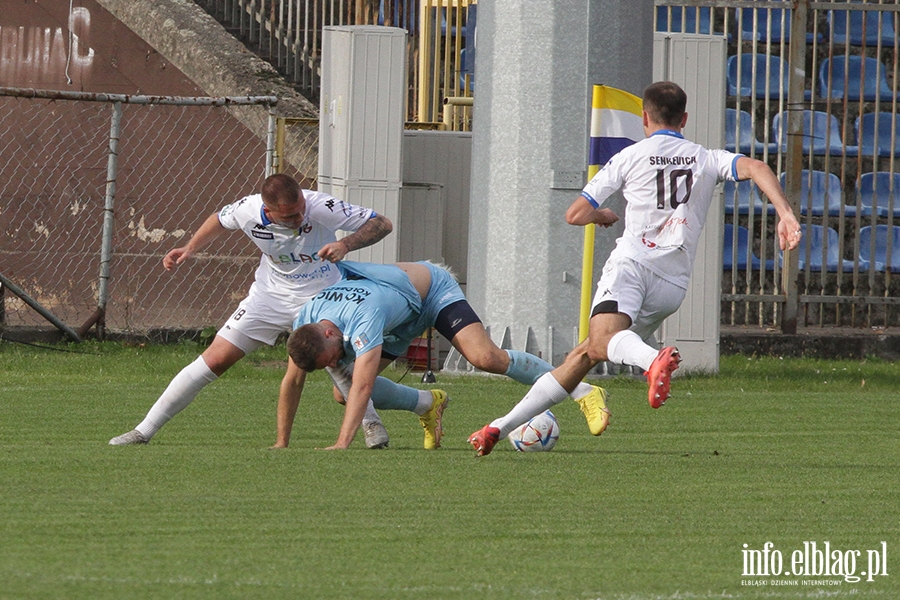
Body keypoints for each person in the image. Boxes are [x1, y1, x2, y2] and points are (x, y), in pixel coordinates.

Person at [468, 81, 803, 456]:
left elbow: (574, 214)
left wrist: (601, 214)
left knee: (600, 342)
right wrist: (785, 213)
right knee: (585, 355)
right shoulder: (707, 158)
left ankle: (651, 360)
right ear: (684, 119)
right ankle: (499, 426)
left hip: (632, 265)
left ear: (645, 117)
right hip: (672, 284)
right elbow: (757, 166)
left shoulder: (630, 156)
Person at [108, 173, 396, 448]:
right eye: (289, 216)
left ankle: (371, 424)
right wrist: (190, 247)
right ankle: (143, 430)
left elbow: (382, 223)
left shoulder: (321, 205)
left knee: (331, 360)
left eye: (300, 211)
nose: (299, 219)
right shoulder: (247, 209)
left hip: (322, 297)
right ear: (268, 211)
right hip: (268, 296)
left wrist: (345, 243)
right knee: (215, 359)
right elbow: (219, 220)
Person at [276, 260, 609, 450]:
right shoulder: (306, 321)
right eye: (329, 364)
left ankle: (583, 390)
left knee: (485, 358)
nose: (335, 363)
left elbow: (362, 387)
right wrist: (282, 442)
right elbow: (292, 382)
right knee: (340, 393)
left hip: (431, 293)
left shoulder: (363, 318)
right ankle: (427, 403)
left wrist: (342, 443)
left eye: (332, 357)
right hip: (398, 316)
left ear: (331, 333)